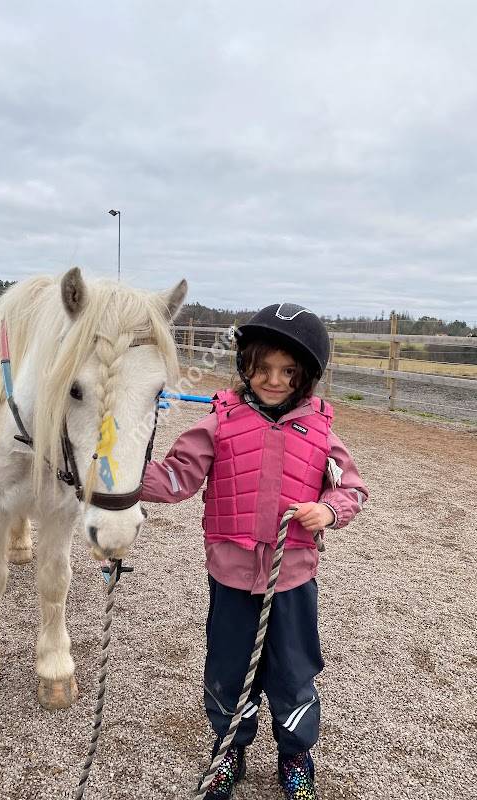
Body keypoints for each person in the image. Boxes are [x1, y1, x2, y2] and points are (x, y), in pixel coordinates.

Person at [141, 303, 368, 800]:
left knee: (292, 671)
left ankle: (295, 753)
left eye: (288, 372)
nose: (274, 380)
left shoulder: (323, 431)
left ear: (305, 376)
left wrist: (327, 511)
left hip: (291, 580)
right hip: (232, 575)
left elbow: (352, 490)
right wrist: (122, 479)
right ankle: (229, 751)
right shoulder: (220, 422)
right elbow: (178, 476)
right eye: (262, 369)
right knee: (228, 669)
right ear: (245, 366)